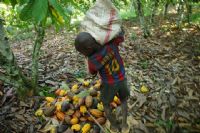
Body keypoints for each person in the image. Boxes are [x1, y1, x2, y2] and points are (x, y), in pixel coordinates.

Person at [74, 31, 130, 132]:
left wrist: (87, 60)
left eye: (82, 53)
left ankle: (114, 126)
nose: (83, 55)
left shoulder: (92, 60)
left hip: (109, 84)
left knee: (106, 105)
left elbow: (92, 73)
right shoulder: (111, 44)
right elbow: (120, 35)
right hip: (122, 79)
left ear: (88, 49)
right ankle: (125, 125)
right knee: (124, 101)